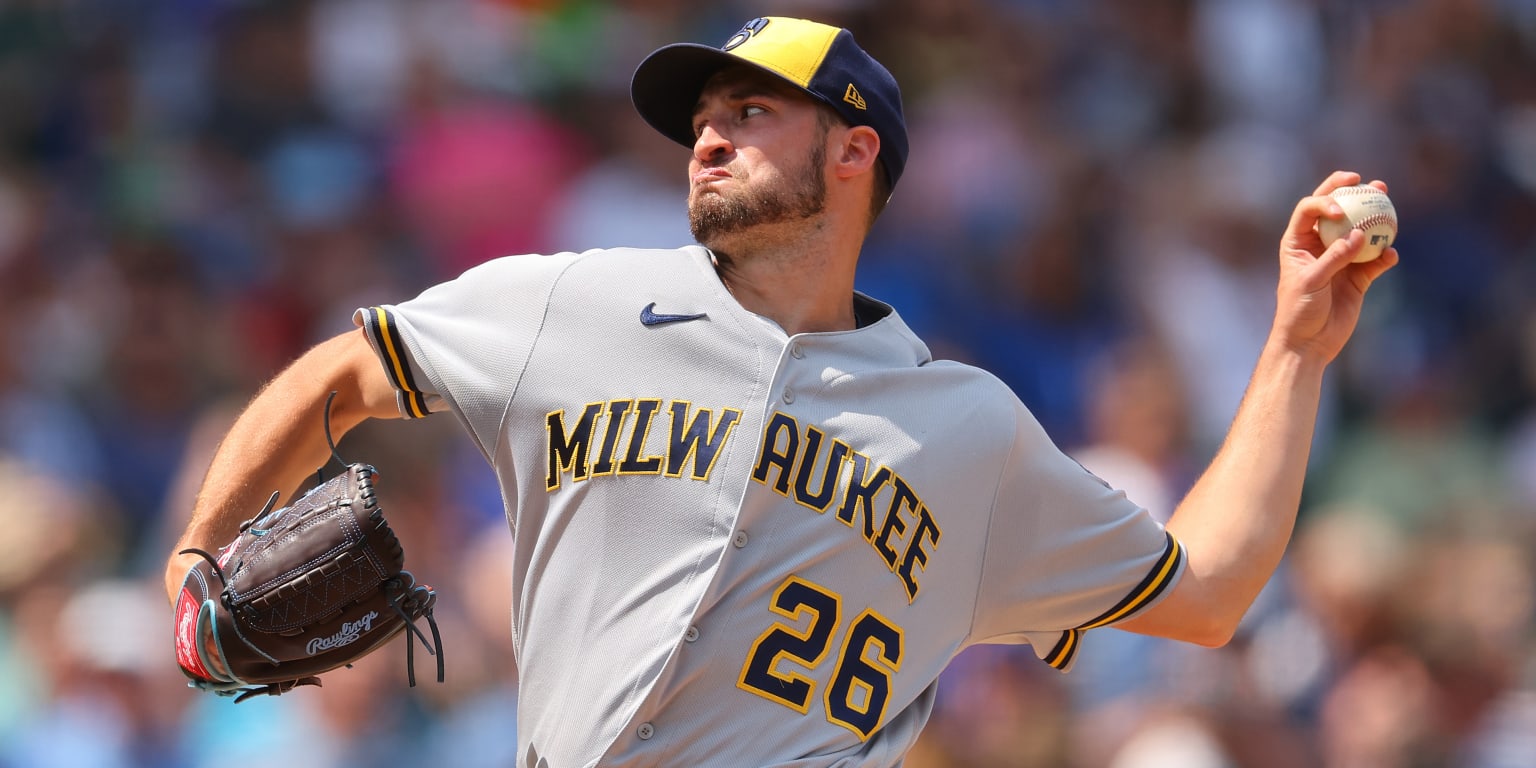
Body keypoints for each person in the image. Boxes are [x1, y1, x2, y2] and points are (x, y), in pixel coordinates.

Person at [164, 15, 1399, 767]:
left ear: (855, 151)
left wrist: (1292, 349)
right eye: (701, 118)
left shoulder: (965, 425)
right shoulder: (571, 300)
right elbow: (343, 375)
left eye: (751, 113)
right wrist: (196, 551)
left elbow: (1208, 590)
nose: (707, 137)